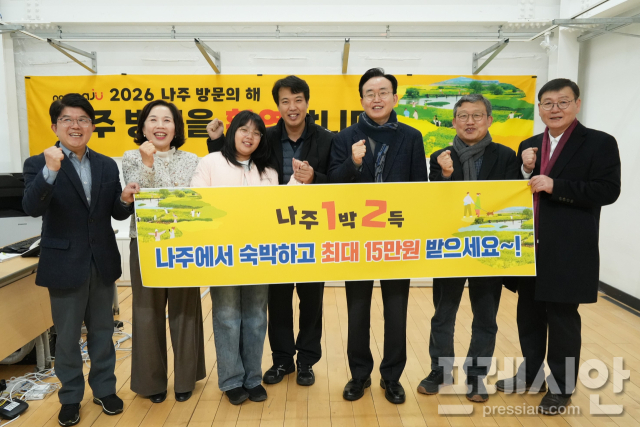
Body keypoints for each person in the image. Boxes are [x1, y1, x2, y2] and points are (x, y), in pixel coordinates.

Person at [495, 78, 621, 415]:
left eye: (563, 102)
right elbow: (514, 192)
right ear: (539, 109)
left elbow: (608, 190)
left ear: (577, 104)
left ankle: (561, 388)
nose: (555, 109)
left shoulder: (599, 143)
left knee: (563, 320)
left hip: (568, 249)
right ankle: (531, 375)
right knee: (529, 316)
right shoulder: (530, 144)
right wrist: (525, 170)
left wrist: (556, 186)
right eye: (548, 103)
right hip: (529, 248)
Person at [206, 76, 332, 387]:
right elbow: (237, 160)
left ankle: (307, 361)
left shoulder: (327, 139)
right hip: (273, 234)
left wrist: (315, 177)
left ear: (307, 102)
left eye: (298, 100)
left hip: (313, 231)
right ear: (278, 106)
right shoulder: (268, 137)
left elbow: (338, 179)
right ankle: (282, 360)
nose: (292, 106)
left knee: (311, 300)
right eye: (285, 101)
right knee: (277, 301)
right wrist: (216, 141)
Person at [22, 93, 138, 427]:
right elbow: (31, 207)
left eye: (83, 120)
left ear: (92, 126)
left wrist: (125, 199)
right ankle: (71, 396)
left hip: (101, 260)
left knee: (103, 332)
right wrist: (50, 171)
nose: (76, 126)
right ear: (55, 127)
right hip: (63, 263)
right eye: (68, 120)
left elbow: (114, 212)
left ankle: (104, 389)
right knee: (68, 338)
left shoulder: (105, 164)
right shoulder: (38, 163)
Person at [328, 68, 428, 404]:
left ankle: (392, 376)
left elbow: (419, 188)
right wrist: (353, 164)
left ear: (395, 98)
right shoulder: (345, 138)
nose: (377, 98)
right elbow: (332, 184)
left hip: (397, 238)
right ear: (361, 100)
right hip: (357, 237)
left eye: (383, 92)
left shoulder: (411, 137)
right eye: (370, 93)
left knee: (396, 310)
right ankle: (359, 375)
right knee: (357, 310)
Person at [418, 94, 519, 403]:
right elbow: (435, 203)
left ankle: (476, 376)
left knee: (485, 317)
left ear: (489, 120)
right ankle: (440, 371)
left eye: (477, 115)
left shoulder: (505, 156)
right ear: (454, 122)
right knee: (442, 315)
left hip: (489, 249)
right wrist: (446, 175)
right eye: (463, 116)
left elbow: (512, 201)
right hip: (451, 247)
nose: (470, 122)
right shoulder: (440, 156)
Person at [122, 100, 205, 405]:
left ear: (176, 127)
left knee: (186, 310)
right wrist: (147, 164)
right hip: (145, 242)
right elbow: (144, 197)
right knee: (147, 312)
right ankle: (151, 382)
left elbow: (184, 199)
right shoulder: (131, 157)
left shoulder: (192, 159)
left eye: (167, 120)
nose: (160, 125)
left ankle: (185, 379)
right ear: (143, 127)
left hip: (182, 242)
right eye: (153, 120)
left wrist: (157, 173)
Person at [192, 110, 278, 405]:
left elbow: (278, 210)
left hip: (258, 254)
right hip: (222, 254)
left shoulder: (268, 171)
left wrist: (298, 182)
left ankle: (253, 377)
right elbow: (198, 202)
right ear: (232, 132)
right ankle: (231, 380)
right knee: (227, 315)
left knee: (256, 317)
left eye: (256, 132)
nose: (249, 136)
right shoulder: (211, 162)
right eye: (244, 129)